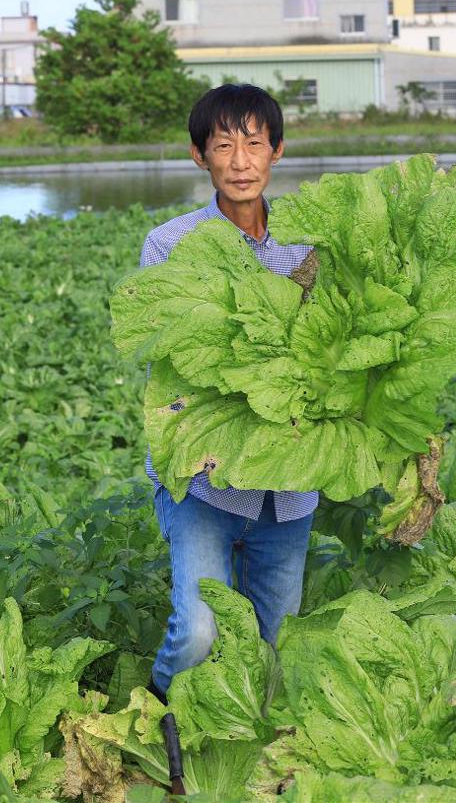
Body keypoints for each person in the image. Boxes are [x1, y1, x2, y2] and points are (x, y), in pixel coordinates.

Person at [140, 83, 319, 703]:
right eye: (224, 146)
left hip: (290, 484)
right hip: (204, 474)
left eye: (254, 144)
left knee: (276, 647)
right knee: (198, 632)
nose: (240, 162)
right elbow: (177, 360)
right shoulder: (172, 245)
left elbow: (337, 355)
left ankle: (250, 757)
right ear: (200, 156)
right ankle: (163, 726)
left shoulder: (311, 241)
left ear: (277, 153)